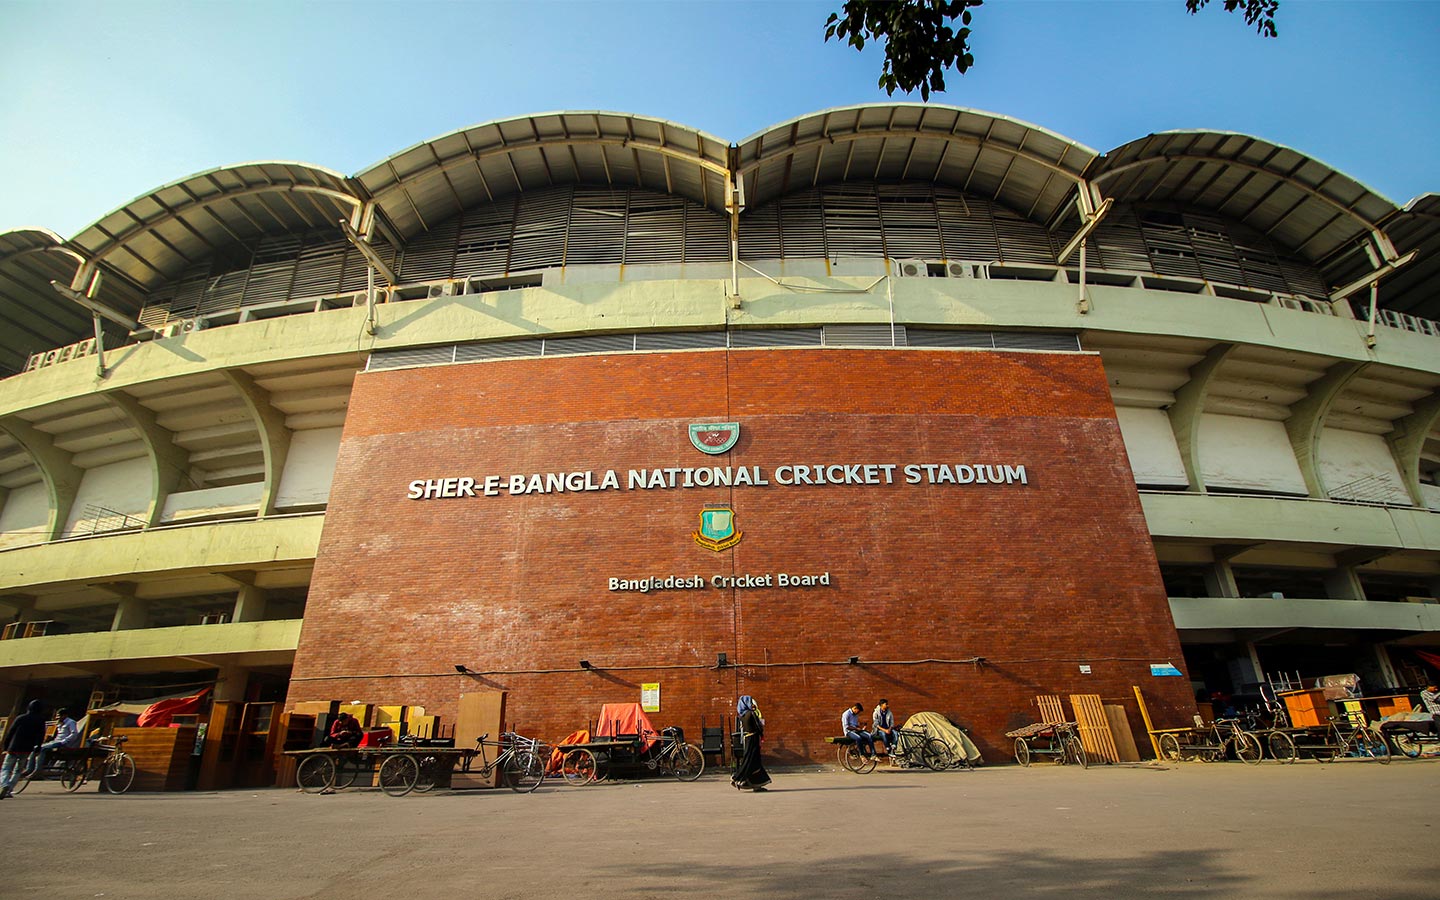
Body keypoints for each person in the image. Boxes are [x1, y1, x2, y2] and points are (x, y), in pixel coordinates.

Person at [1, 700, 47, 799]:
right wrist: (38, 747)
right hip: (26, 749)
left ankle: (4, 784)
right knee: (18, 771)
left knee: (6, 768)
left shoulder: (20, 718)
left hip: (13, 748)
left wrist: (6, 746)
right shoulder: (40, 720)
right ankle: (9, 790)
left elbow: (10, 732)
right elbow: (41, 736)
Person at [731, 695, 771, 791]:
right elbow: (758, 726)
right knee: (751, 761)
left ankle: (756, 784)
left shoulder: (742, 716)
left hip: (748, 738)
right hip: (753, 739)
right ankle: (737, 777)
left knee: (751, 761)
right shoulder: (751, 714)